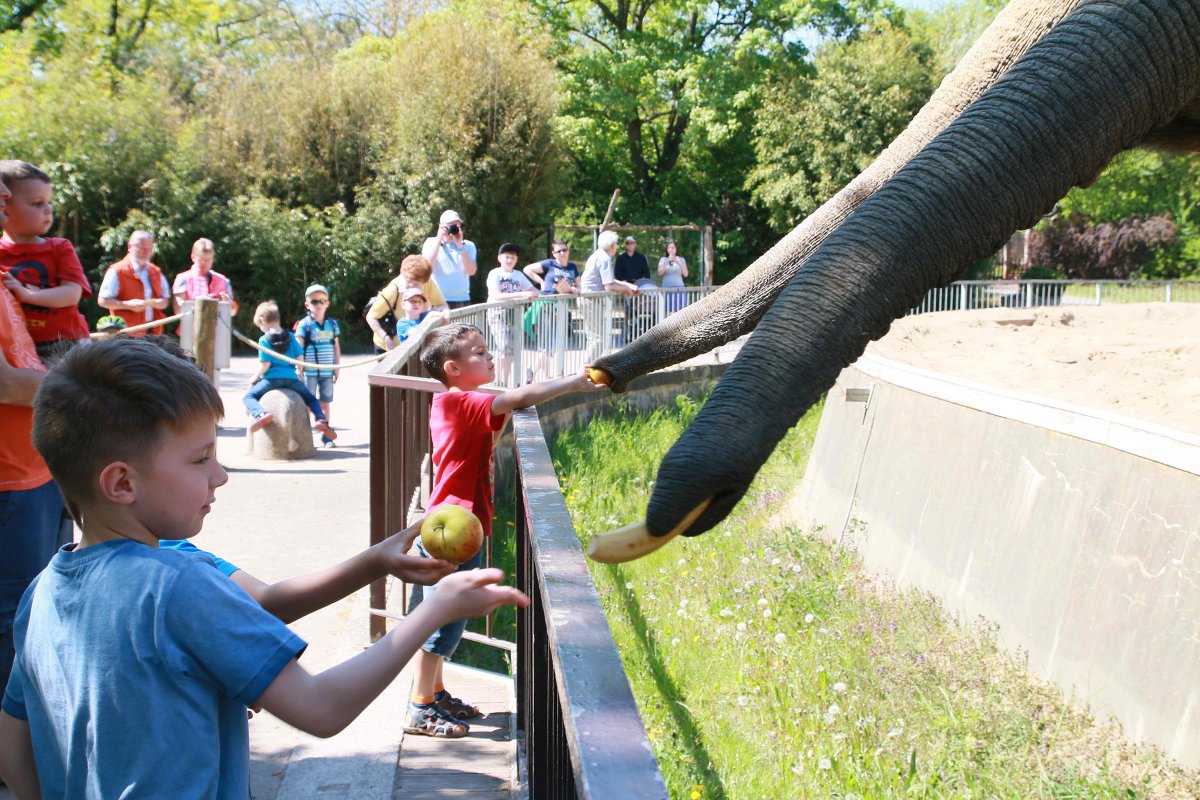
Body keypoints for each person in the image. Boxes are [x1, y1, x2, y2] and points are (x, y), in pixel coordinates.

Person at [0, 338, 528, 798]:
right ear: (121, 484)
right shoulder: (178, 586)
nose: (222, 475)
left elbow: (14, 743)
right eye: (200, 459)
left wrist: (373, 561)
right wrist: (434, 611)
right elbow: (320, 709)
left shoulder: (43, 591)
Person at [411, 323, 605, 737]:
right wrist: (573, 380)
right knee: (440, 620)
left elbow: (502, 410)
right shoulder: (458, 402)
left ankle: (437, 691)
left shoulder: (461, 400)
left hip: (464, 525)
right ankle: (420, 705)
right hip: (451, 529)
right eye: (479, 353)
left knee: (453, 617)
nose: (491, 356)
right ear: (453, 368)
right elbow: (515, 399)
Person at [0, 199, 73, 702]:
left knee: (48, 600)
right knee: (17, 611)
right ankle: (18, 754)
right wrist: (87, 388)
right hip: (11, 478)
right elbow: (5, 384)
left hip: (39, 465)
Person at [0, 161, 91, 365]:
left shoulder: (59, 248)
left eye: (48, 202)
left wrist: (29, 295)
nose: (48, 210)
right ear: (6, 207)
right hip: (17, 343)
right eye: (37, 203)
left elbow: (71, 294)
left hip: (64, 342)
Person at [242, 300, 336, 442]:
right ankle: (321, 420)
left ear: (262, 320)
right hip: (292, 379)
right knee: (311, 399)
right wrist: (300, 373)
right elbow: (299, 357)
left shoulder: (263, 339)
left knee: (248, 397)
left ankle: (260, 414)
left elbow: (266, 364)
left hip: (271, 380)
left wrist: (255, 377)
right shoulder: (291, 336)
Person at [366, 254, 448, 352]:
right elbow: (371, 317)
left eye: (421, 283)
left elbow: (442, 305)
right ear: (408, 279)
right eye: (416, 284)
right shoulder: (392, 290)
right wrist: (386, 339)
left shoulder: (426, 282)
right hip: (389, 345)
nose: (419, 288)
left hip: (414, 343)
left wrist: (446, 315)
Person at [522, 239, 579, 380]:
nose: (562, 253)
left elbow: (579, 286)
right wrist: (541, 282)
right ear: (554, 253)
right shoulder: (550, 264)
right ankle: (533, 371)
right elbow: (527, 269)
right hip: (546, 305)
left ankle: (547, 378)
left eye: (564, 250)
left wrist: (573, 289)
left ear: (568, 251)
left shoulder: (572, 267)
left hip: (561, 307)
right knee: (549, 345)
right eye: (558, 251)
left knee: (550, 344)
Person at [97, 230, 171, 336]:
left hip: (154, 332)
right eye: (141, 247)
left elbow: (165, 301)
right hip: (127, 333)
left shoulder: (156, 272)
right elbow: (103, 301)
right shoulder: (117, 270)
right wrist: (128, 305)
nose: (145, 252)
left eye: (149, 248)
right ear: (130, 246)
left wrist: (158, 303)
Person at [579, 230, 637, 362]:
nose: (617, 246)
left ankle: (586, 372)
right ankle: (584, 371)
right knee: (600, 338)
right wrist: (627, 289)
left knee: (594, 338)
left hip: (588, 300)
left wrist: (628, 286)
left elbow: (609, 280)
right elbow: (609, 285)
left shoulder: (598, 255)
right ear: (611, 245)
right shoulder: (604, 258)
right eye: (616, 244)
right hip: (591, 301)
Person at [295, 284, 341, 448]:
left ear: (327, 303)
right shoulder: (304, 325)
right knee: (308, 402)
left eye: (322, 301)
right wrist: (298, 368)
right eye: (315, 301)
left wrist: (337, 367)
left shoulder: (332, 324)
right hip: (310, 372)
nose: (319, 305)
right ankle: (305, 436)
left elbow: (336, 346)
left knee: (325, 402)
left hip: (327, 371)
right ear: (307, 304)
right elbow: (298, 348)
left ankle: (326, 435)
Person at [485, 242, 537, 384]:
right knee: (504, 346)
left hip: (514, 315)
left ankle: (504, 381)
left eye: (513, 258)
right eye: (507, 257)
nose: (509, 260)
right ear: (499, 258)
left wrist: (530, 293)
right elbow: (497, 295)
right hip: (498, 313)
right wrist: (521, 294)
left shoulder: (518, 275)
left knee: (511, 351)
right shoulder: (495, 274)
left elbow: (533, 291)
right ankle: (498, 380)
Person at [421, 210, 476, 309]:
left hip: (462, 299)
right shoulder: (430, 243)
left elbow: (471, 271)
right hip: (437, 299)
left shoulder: (468, 246)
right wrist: (439, 240)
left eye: (457, 225)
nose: (454, 228)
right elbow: (427, 268)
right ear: (440, 226)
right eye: (451, 225)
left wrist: (460, 245)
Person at [171, 237, 238, 315]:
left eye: (209, 259)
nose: (206, 263)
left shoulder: (223, 280)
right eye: (202, 259)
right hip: (190, 326)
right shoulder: (182, 279)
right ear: (193, 257)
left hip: (217, 326)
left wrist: (228, 303)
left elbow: (233, 312)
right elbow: (178, 311)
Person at [658, 240, 689, 314]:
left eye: (673, 247)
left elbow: (686, 274)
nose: (671, 249)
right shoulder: (663, 259)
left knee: (681, 311)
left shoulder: (681, 259)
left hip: (679, 289)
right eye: (669, 247)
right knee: (667, 312)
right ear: (667, 249)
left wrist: (679, 263)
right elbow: (659, 273)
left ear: (676, 249)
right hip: (667, 289)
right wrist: (667, 262)